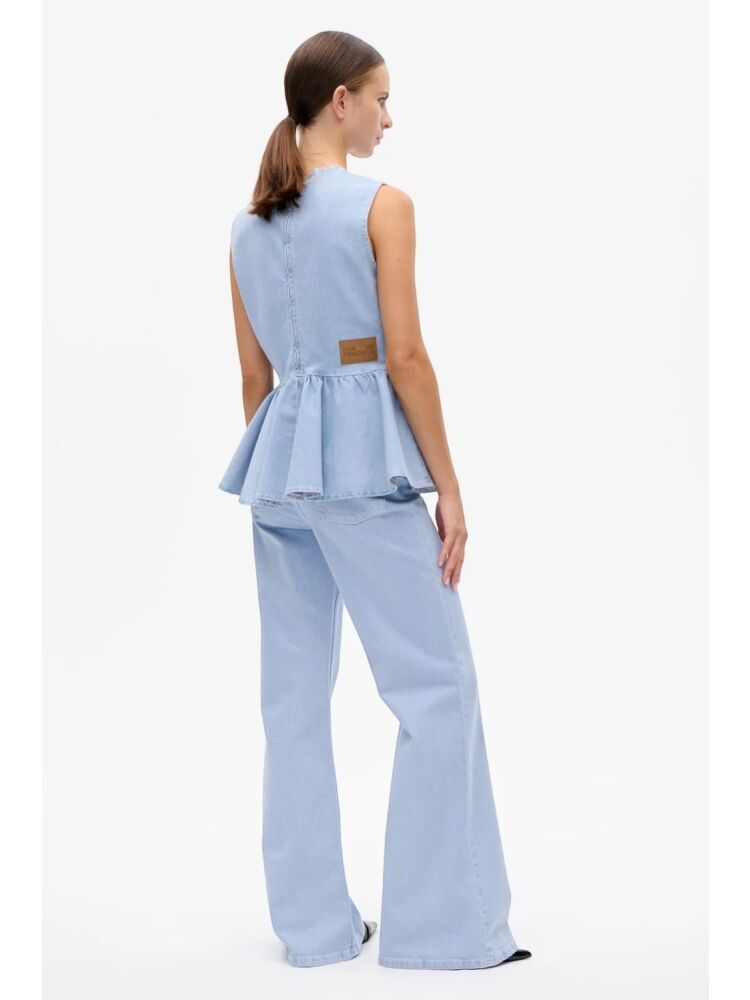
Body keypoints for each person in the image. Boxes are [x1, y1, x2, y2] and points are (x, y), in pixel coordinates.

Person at [218, 29, 532, 972]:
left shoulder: (245, 227)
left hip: (278, 474)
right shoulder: (381, 206)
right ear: (341, 101)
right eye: (382, 99)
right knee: (438, 686)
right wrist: (449, 487)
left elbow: (255, 379)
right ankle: (444, 931)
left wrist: (291, 464)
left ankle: (315, 931)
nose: (390, 119)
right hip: (364, 467)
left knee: (293, 703)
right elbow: (406, 359)